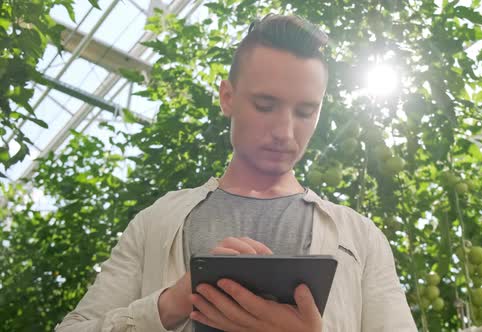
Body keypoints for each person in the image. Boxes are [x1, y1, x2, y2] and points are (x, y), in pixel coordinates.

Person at [56, 14, 417, 332]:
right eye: (265, 104)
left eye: (306, 111)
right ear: (227, 97)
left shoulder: (361, 238)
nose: (285, 132)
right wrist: (169, 305)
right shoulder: (156, 222)